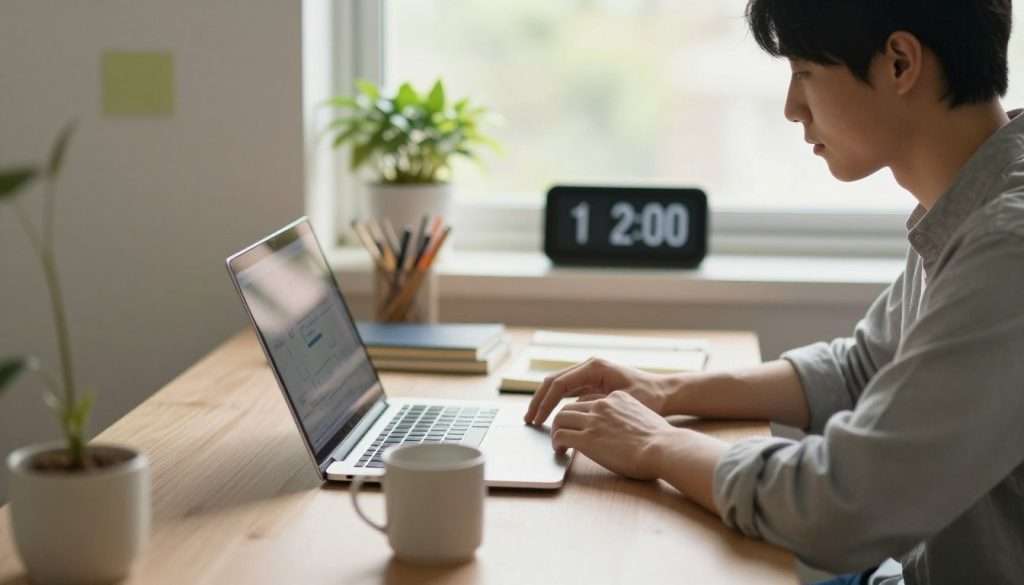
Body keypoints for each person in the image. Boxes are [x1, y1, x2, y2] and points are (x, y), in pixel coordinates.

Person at [525, 2, 1024, 584]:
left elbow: (843, 506)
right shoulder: (972, 203)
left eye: (805, 72)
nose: (792, 108)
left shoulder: (1007, 246)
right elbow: (863, 366)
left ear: (899, 62)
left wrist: (658, 445)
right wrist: (666, 389)